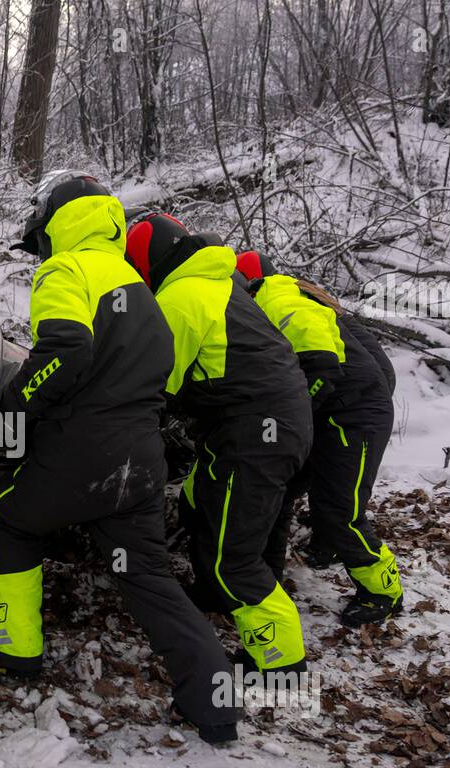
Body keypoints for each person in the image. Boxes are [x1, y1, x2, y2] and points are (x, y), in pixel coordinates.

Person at [0, 173, 239, 743]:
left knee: (14, 527)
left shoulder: (65, 270)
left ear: (53, 222)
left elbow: (63, 351)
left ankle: (15, 655)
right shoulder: (137, 282)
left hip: (80, 449)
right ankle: (214, 703)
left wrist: (12, 406)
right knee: (146, 575)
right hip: (140, 453)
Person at [125, 212, 312, 674]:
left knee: (235, 557)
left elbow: (154, 384)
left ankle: (281, 664)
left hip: (254, 435)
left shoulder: (182, 296)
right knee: (198, 505)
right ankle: (213, 593)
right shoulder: (216, 283)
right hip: (261, 426)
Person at [237, 252, 403, 625]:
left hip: (352, 416)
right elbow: (382, 369)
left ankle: (383, 591)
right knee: (279, 492)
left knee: (341, 511)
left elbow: (326, 370)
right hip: (338, 414)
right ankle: (277, 572)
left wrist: (300, 413)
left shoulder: (278, 299)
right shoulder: (310, 298)